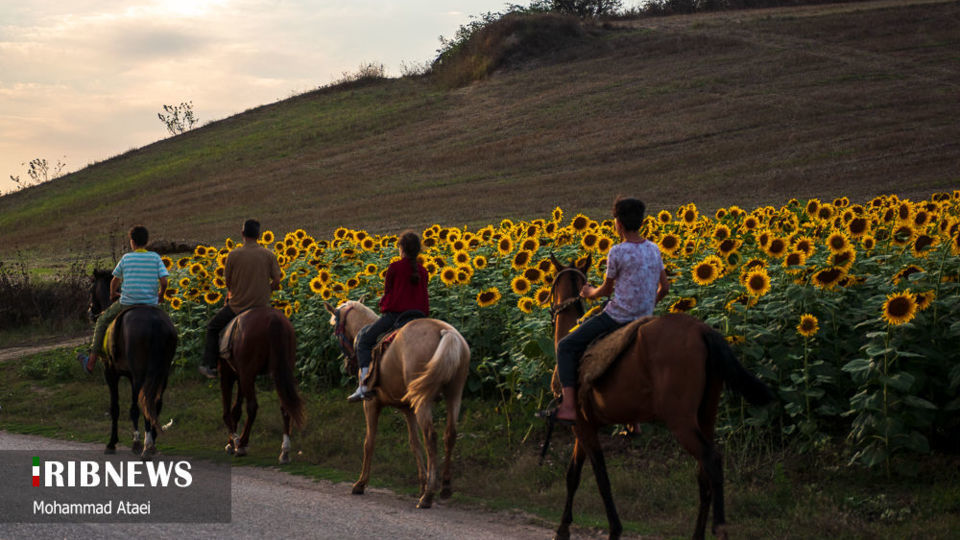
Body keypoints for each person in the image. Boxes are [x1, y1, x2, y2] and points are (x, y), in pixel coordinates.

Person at [547, 197, 670, 424]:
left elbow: (605, 290)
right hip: (646, 317)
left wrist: (587, 292)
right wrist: (648, 304)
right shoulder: (654, 249)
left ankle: (568, 407)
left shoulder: (617, 251)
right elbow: (666, 287)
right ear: (641, 223)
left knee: (566, 346)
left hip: (618, 318)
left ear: (619, 225)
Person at [348, 231, 429, 402]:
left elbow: (388, 295)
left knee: (364, 341)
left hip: (397, 316)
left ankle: (364, 386)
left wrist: (383, 306)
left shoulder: (394, 268)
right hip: (421, 317)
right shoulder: (423, 271)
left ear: (401, 249)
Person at [77, 225, 168, 374]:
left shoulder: (126, 258)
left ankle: (90, 363)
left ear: (132, 242)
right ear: (146, 241)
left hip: (127, 303)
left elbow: (114, 281)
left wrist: (113, 294)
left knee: (101, 321)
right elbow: (164, 282)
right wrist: (161, 295)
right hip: (150, 304)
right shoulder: (155, 258)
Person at [198, 219, 281, 378]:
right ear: (259, 235)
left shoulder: (233, 255)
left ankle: (210, 365)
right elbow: (277, 280)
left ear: (242, 234)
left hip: (238, 306)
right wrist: (267, 290)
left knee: (213, 328)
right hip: (262, 306)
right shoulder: (269, 255)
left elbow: (228, 282)